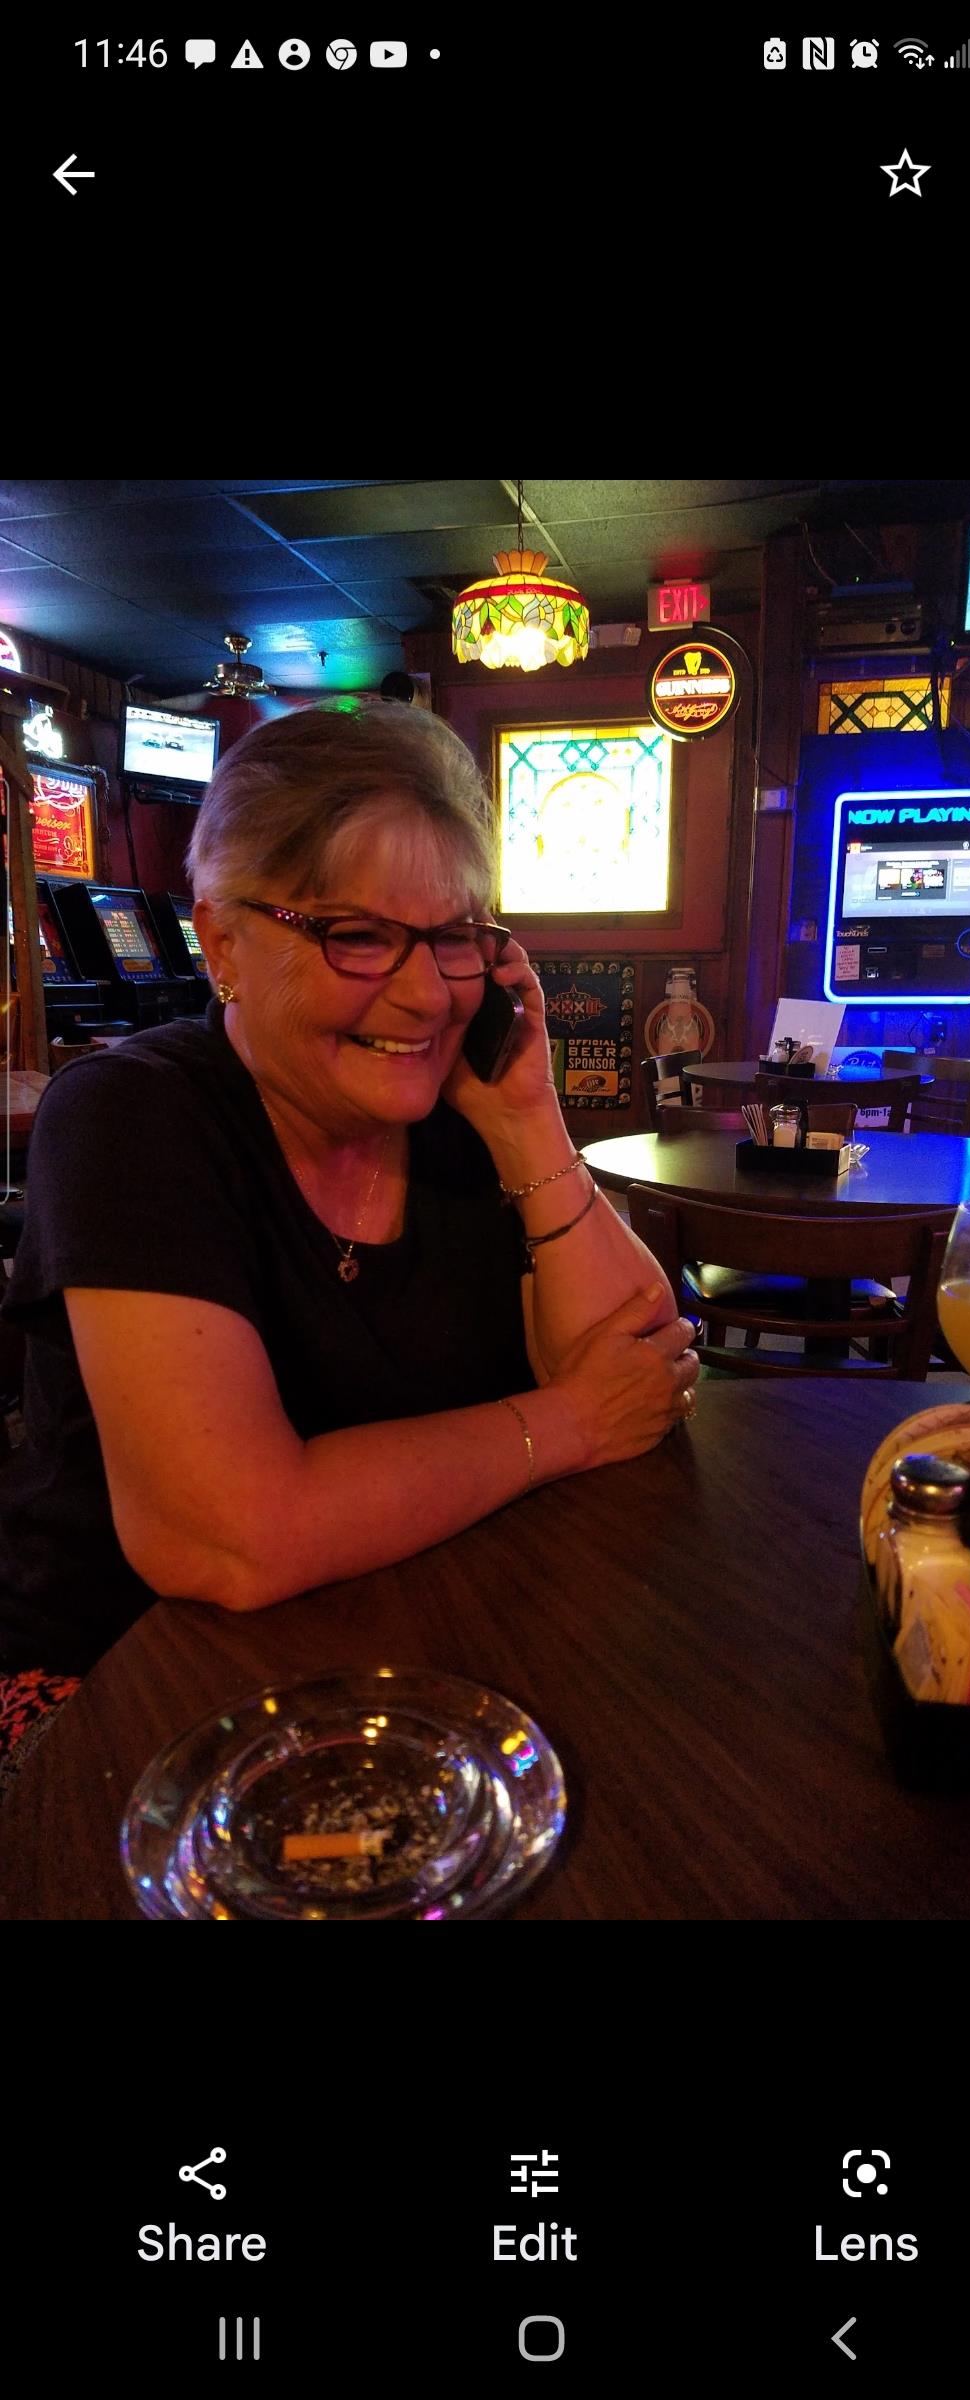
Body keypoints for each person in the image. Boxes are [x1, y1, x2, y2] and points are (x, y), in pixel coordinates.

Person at [0, 703, 698, 1748]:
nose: (426, 996)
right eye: (358, 936)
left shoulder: (463, 1116)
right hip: (123, 1682)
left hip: (410, 1640)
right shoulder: (131, 1115)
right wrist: (567, 1423)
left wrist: (528, 1121)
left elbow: (644, 1380)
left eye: (453, 937)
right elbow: (229, 1538)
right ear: (223, 943)